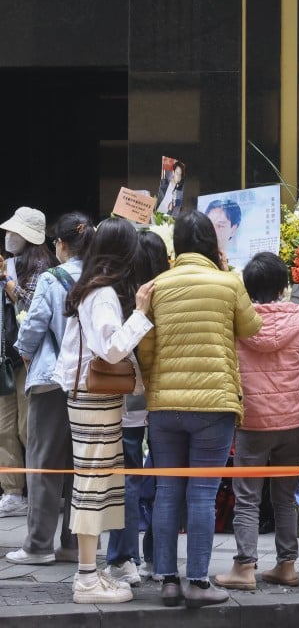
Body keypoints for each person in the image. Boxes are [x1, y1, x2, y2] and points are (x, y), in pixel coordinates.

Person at [137, 210, 262, 608]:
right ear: (212, 243)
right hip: (214, 404)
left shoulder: (157, 286)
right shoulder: (228, 283)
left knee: (167, 492)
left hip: (165, 405)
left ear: (177, 244)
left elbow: (146, 349)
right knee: (203, 495)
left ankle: (168, 582)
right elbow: (251, 327)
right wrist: (226, 273)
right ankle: (198, 583)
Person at [53, 217, 155, 604]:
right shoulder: (103, 294)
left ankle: (91, 572)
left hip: (91, 399)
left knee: (97, 484)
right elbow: (110, 349)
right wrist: (141, 314)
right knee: (93, 486)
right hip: (92, 400)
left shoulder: (95, 289)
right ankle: (85, 578)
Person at [215, 252, 299, 590]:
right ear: (283, 287)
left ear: (247, 287)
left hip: (253, 422)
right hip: (294, 422)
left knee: (248, 497)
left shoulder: (239, 321)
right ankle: (287, 565)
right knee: (285, 496)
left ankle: (245, 567)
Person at [6, 213, 93, 565]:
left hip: (51, 383)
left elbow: (32, 329)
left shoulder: (51, 278)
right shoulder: (99, 277)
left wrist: (25, 355)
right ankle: (73, 543)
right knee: (78, 464)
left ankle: (38, 545)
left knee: (43, 462)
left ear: (60, 243)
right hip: (88, 383)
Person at [104, 230, 171, 587]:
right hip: (167, 397)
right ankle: (160, 560)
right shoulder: (171, 293)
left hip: (128, 399)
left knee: (126, 478)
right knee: (166, 479)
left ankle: (124, 560)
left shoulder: (120, 293)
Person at [0, 206, 56, 517]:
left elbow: (35, 309)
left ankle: (39, 490)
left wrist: (9, 285)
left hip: (30, 357)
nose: (8, 236)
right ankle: (12, 491)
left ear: (28, 238)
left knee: (28, 427)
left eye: (14, 232)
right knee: (4, 427)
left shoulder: (44, 269)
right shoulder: (6, 264)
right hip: (5, 356)